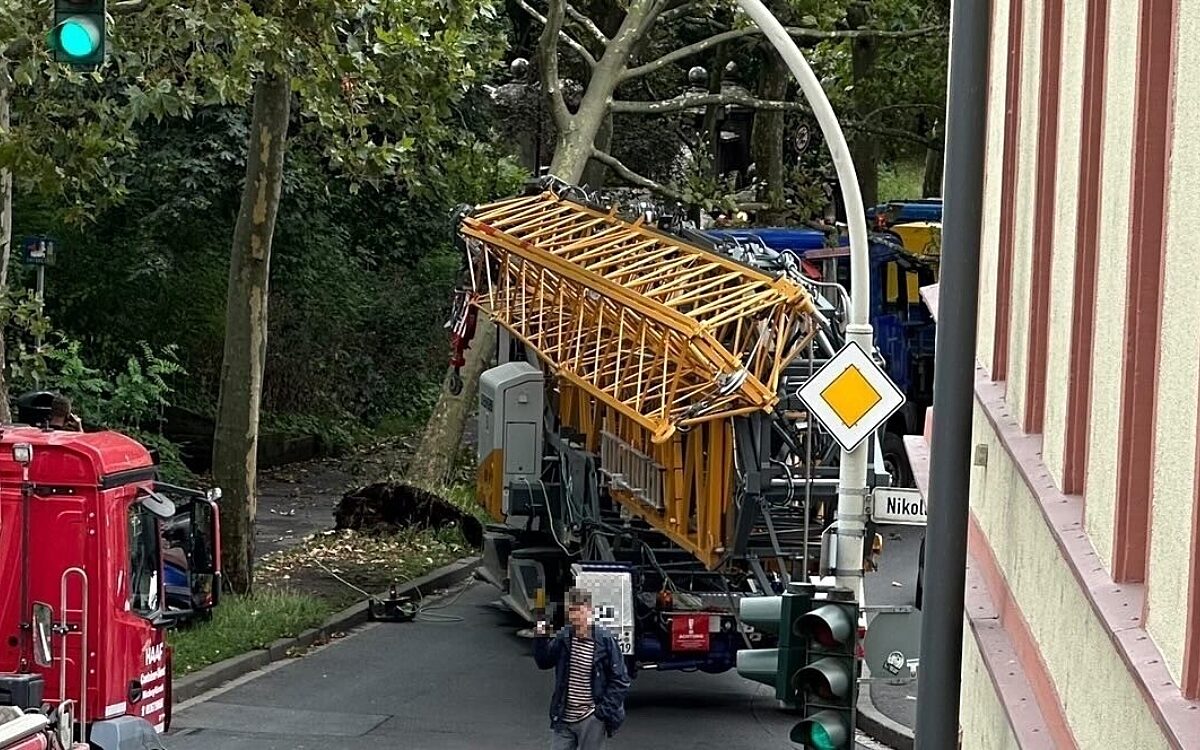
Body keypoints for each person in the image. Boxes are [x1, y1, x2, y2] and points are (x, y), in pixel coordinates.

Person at [533, 587, 630, 749]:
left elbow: (620, 680)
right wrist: (541, 634)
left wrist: (601, 713)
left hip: (591, 719)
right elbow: (543, 662)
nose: (576, 616)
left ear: (590, 611)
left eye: (580, 611)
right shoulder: (565, 638)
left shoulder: (605, 641)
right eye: (572, 611)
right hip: (564, 716)